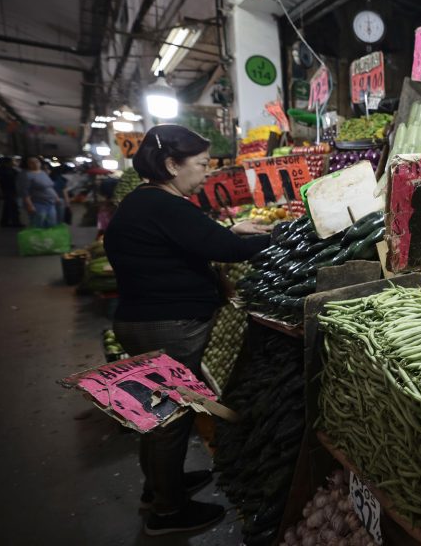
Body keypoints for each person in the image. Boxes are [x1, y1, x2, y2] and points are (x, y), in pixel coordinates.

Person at [105, 124, 271, 536]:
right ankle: (168, 511)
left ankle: (160, 486)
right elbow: (226, 250)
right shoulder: (165, 206)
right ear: (171, 164)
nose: (206, 173)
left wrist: (230, 232)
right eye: (200, 165)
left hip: (143, 320)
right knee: (170, 418)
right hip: (166, 327)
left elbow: (193, 242)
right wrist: (283, 236)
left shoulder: (146, 201)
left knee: (155, 411)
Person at [17, 157, 60, 228]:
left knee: (51, 224)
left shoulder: (42, 172)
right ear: (27, 164)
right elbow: (24, 192)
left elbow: (50, 186)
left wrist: (56, 197)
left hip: (50, 202)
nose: (35, 164)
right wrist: (29, 205)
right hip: (37, 204)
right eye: (31, 162)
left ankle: (48, 238)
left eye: (37, 162)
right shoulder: (25, 175)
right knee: (38, 225)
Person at [0, 157, 22, 227]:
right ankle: (13, 222)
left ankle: (8, 222)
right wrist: (0, 192)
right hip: (6, 191)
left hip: (13, 190)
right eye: (11, 161)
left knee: (11, 207)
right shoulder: (0, 170)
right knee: (11, 207)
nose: (13, 163)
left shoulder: (12, 170)